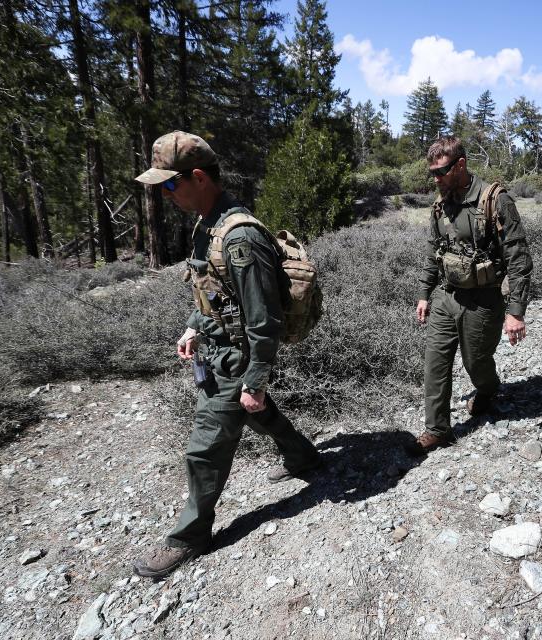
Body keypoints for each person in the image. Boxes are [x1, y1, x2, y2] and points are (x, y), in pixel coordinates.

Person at [131, 131, 320, 578]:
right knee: (258, 414)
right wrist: (194, 326)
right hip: (218, 348)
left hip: (237, 357)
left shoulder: (239, 238)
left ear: (198, 177)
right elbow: (213, 294)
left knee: (204, 449)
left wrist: (254, 380)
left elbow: (263, 320)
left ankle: (189, 536)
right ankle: (304, 458)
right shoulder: (207, 225)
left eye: (170, 184)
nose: (165, 194)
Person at [409, 136, 533, 456]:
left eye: (441, 171)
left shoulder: (495, 200)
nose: (436, 179)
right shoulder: (441, 203)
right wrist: (425, 293)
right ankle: (437, 430)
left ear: (460, 165)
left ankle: (489, 390)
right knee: (435, 363)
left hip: (483, 300)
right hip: (446, 297)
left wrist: (516, 311)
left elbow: (518, 258)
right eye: (432, 173)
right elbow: (432, 252)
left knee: (475, 363)